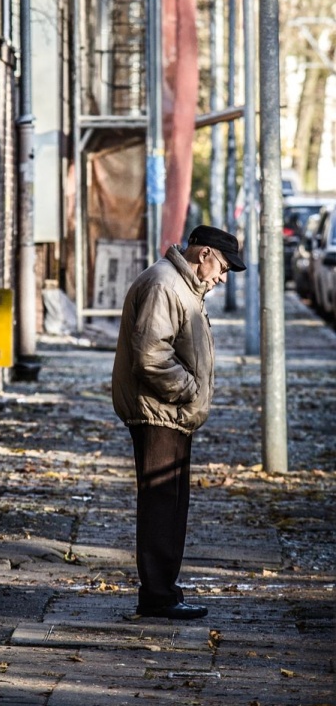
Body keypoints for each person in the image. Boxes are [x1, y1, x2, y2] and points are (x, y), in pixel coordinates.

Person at [112, 224, 246, 620]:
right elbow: (151, 355)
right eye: (222, 267)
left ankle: (164, 592)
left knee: (170, 505)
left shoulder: (181, 286)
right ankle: (157, 596)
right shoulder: (166, 285)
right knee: (160, 504)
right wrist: (188, 389)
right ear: (203, 254)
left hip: (170, 413)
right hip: (161, 411)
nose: (222, 278)